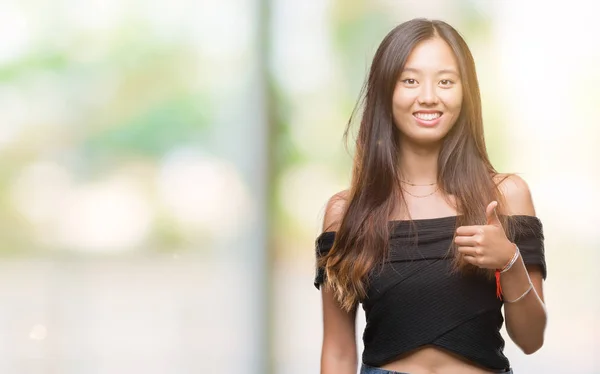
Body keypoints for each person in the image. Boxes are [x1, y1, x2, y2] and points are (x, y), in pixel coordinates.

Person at [313, 18, 547, 374]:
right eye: (410, 80)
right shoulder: (346, 213)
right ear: (385, 90)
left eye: (445, 81)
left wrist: (509, 260)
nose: (428, 96)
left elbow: (531, 340)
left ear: (465, 93)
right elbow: (338, 351)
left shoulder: (505, 196)